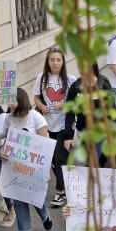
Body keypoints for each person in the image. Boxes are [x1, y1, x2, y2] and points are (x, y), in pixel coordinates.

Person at [0, 88, 53, 231]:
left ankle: (45, 217)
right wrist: (0, 149)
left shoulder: (35, 117)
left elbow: (45, 145)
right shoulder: (9, 118)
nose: (10, 105)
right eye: (9, 102)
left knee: (34, 196)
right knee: (19, 197)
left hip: (34, 167)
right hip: (15, 167)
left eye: (13, 101)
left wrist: (46, 170)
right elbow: (2, 136)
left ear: (21, 100)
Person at [33, 45, 77, 207]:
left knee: (60, 158)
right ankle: (67, 185)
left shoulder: (70, 79)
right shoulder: (41, 78)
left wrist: (65, 104)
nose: (56, 63)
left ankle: (59, 193)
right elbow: (36, 97)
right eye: (52, 60)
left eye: (58, 60)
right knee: (52, 160)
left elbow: (77, 100)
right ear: (48, 61)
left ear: (63, 62)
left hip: (64, 124)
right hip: (47, 125)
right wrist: (41, 106)